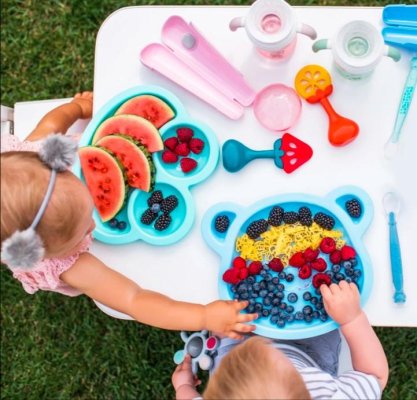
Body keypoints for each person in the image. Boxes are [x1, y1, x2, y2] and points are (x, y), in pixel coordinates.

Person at [0, 92, 257, 338]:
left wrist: (78, 107)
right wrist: (202, 316)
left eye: (91, 208)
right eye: (83, 230)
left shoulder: (40, 154)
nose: (93, 224)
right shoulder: (70, 266)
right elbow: (133, 299)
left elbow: (53, 121)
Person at [171, 280, 389, 399]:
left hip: (232, 349)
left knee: (221, 318)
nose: (264, 341)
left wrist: (183, 387)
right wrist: (352, 319)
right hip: (311, 353)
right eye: (267, 355)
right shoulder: (329, 395)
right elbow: (374, 376)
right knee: (323, 314)